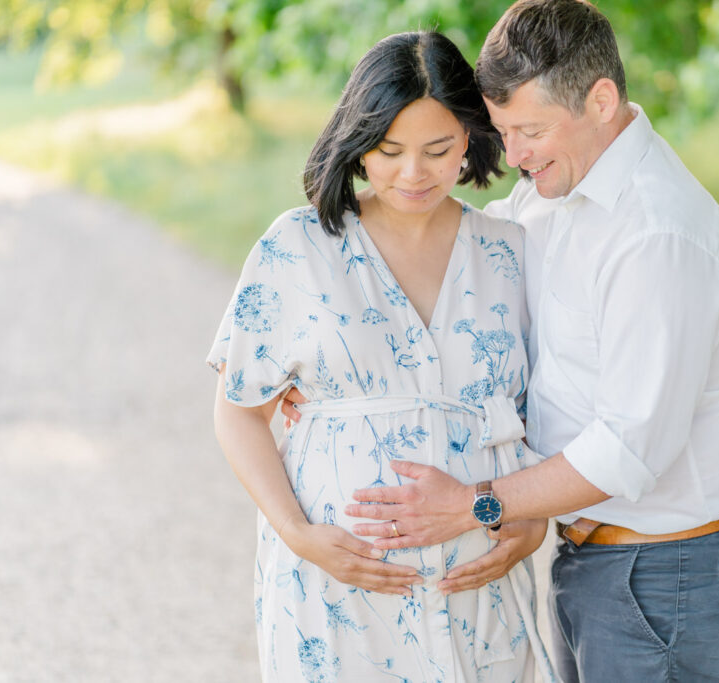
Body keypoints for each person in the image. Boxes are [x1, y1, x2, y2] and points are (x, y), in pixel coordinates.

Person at [338, 2, 719, 681]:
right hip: (597, 558)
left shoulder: (656, 234)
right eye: (504, 131)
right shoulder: (554, 188)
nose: (512, 155)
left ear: (602, 100)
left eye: (530, 130)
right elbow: (470, 269)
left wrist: (474, 502)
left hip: (668, 570)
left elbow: (629, 448)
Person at [208, 30, 558, 683]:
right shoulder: (298, 246)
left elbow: (542, 410)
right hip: (337, 596)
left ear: (471, 139)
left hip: (477, 591)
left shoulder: (512, 252)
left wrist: (530, 521)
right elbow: (238, 411)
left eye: (437, 149)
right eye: (389, 150)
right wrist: (299, 534)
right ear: (357, 141)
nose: (413, 173)